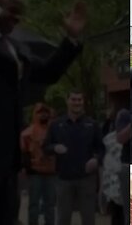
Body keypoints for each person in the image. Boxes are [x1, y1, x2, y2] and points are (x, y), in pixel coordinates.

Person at [0, 0, 86, 225]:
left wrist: (71, 40)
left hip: (8, 164)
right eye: (11, 12)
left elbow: (48, 73)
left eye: (18, 15)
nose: (15, 20)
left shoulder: (16, 49)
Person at [43, 90, 103, 225]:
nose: (77, 103)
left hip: (86, 179)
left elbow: (102, 149)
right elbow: (45, 147)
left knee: (88, 219)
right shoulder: (56, 125)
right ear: (67, 101)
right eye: (73, 100)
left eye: (79, 100)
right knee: (63, 218)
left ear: (83, 102)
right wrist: (54, 148)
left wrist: (96, 159)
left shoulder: (91, 124)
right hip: (64, 179)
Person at [20, 103, 56, 225]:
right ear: (35, 114)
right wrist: (26, 169)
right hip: (35, 173)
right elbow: (23, 152)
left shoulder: (54, 130)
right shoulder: (27, 133)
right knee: (34, 205)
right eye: (40, 112)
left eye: (45, 112)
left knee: (50, 205)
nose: (43, 114)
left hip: (51, 172)